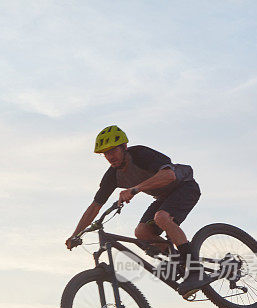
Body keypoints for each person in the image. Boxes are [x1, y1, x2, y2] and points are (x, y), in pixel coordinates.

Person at [66, 125, 214, 297]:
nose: (110, 156)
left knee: (161, 217)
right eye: (105, 153)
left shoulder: (141, 155)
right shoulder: (112, 176)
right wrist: (76, 234)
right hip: (164, 197)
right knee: (141, 232)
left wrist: (135, 189)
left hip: (185, 186)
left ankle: (195, 271)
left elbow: (169, 175)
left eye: (113, 150)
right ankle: (178, 261)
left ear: (124, 148)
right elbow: (95, 206)